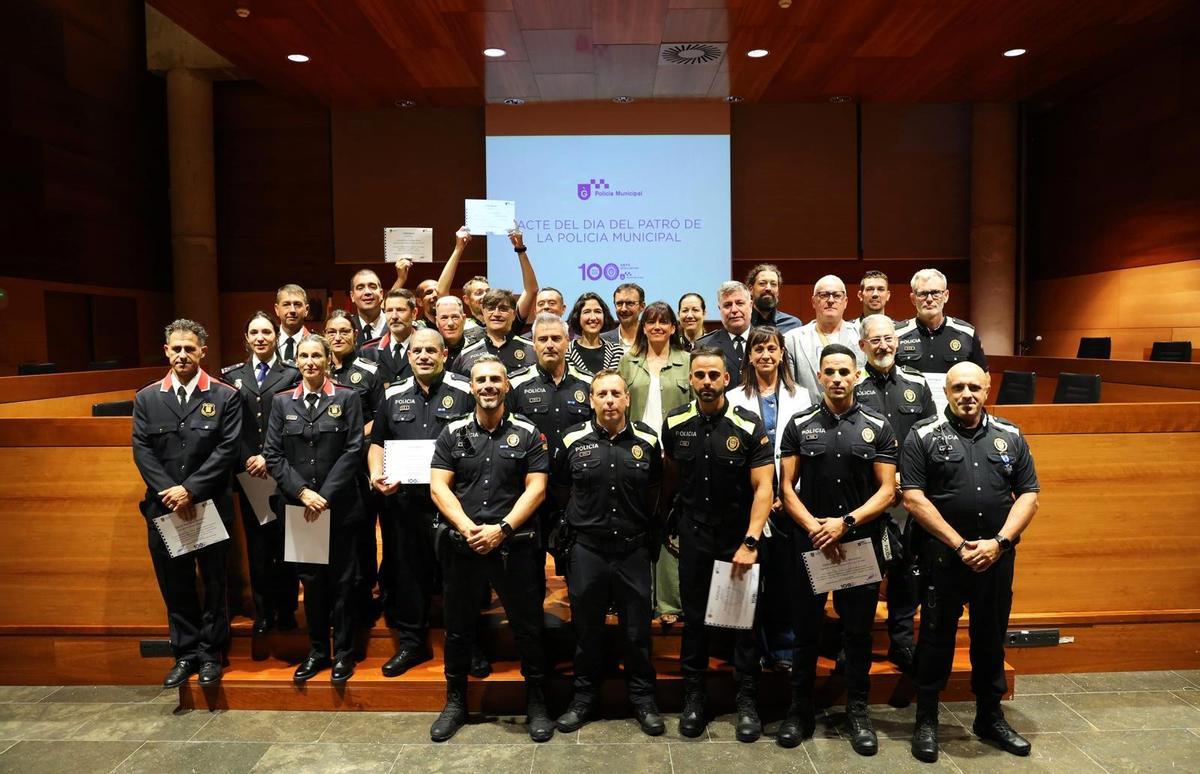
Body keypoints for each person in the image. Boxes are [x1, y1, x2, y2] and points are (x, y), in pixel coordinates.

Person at [901, 362, 1039, 763]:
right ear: (945, 391)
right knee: (935, 639)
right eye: (958, 387)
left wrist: (999, 542)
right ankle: (926, 718)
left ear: (988, 388)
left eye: (974, 387)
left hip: (996, 559)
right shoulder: (923, 434)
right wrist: (961, 545)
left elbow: (1029, 495)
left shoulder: (1010, 435)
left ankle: (989, 716)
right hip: (943, 558)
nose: (967, 394)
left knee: (991, 637)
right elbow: (913, 498)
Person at [777, 343, 899, 755]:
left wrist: (844, 523)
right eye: (829, 372)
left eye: (845, 372)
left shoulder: (878, 426)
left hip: (858, 543)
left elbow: (887, 491)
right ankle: (800, 710)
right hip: (811, 543)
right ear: (821, 376)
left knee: (857, 633)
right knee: (806, 632)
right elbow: (785, 489)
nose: (837, 379)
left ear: (857, 376)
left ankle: (858, 712)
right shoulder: (799, 423)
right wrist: (816, 527)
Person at [428, 355, 554, 743]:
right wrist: (468, 529)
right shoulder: (452, 433)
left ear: (507, 386)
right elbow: (438, 487)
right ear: (470, 387)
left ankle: (537, 702)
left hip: (512, 547)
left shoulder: (530, 433)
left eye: (495, 380)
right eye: (480, 380)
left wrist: (501, 529)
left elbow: (538, 488)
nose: (488, 386)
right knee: (459, 629)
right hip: (462, 546)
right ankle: (455, 702)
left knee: (528, 628)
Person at [660, 346, 775, 741]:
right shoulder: (675, 423)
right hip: (694, 534)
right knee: (694, 621)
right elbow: (671, 479)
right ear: (690, 379)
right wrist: (668, 528)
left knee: (742, 621)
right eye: (699, 376)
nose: (706, 383)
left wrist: (751, 540)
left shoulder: (747, 423)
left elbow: (763, 488)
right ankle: (695, 699)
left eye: (714, 376)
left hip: (735, 536)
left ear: (727, 379)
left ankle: (746, 701)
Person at [552, 370, 665, 736]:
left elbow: (655, 490)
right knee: (587, 632)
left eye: (616, 393)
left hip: (632, 549)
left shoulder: (648, 440)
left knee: (636, 633)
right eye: (602, 394)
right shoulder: (572, 438)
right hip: (588, 551)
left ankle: (643, 700)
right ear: (591, 399)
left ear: (627, 398)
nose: (610, 400)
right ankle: (583, 699)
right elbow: (560, 491)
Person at [132, 319, 242, 688]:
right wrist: (170, 491)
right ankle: (186, 653)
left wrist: (190, 489)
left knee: (213, 585)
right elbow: (142, 450)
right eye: (176, 348)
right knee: (175, 586)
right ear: (166, 351)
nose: (182, 355)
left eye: (189, 349)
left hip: (207, 506)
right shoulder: (147, 398)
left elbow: (227, 449)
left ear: (202, 352)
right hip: (164, 508)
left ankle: (211, 655)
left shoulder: (224, 396)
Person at [368, 328, 475, 677]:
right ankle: (412, 644)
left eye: (431, 350)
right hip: (405, 504)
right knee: (407, 575)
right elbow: (378, 443)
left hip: (452, 504)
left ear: (445, 354)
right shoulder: (393, 393)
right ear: (409, 356)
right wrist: (375, 474)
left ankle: (467, 648)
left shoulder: (465, 391)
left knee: (457, 579)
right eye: (417, 351)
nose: (424, 356)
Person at [264, 334, 365, 683]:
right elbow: (273, 455)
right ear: (297, 361)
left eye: (317, 356)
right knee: (312, 583)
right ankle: (319, 651)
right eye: (304, 356)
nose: (310, 362)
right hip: (300, 508)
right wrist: (304, 493)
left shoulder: (348, 398)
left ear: (327, 360)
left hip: (340, 507)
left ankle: (345, 654)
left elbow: (353, 451)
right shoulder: (281, 403)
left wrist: (325, 494)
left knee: (344, 583)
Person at [854, 314, 936, 673]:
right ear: (863, 346)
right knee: (862, 573)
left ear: (897, 341)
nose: (884, 345)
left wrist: (911, 480)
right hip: (867, 497)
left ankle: (902, 643)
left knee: (905, 571)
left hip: (909, 496)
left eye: (889, 339)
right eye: (875, 340)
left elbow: (932, 434)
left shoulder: (916, 384)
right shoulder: (852, 385)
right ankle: (853, 643)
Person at [725, 326, 808, 671]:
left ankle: (785, 650)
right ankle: (753, 651)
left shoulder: (801, 397)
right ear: (749, 356)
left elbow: (806, 449)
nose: (765, 356)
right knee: (749, 582)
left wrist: (787, 493)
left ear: (781, 353)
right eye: (758, 350)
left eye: (771, 349)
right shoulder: (733, 398)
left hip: (789, 501)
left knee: (785, 581)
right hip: (750, 501)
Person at [220, 312, 300, 635]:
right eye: (254, 332)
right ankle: (264, 611)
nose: (261, 337)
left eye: (267, 331)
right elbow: (229, 428)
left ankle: (288, 608)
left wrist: (268, 456)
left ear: (275, 337)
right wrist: (249, 457)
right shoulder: (231, 376)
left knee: (288, 541)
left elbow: (294, 419)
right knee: (259, 545)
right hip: (249, 473)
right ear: (246, 338)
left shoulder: (292, 373)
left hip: (283, 468)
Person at [617, 302, 692, 625]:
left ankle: (668, 602)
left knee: (670, 526)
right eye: (651, 322)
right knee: (637, 523)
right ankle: (638, 598)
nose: (657, 327)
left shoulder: (687, 361)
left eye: (664, 322)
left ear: (674, 327)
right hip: (636, 454)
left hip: (675, 457)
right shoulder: (627, 362)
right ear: (643, 326)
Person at [784, 275, 864, 404]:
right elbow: (789, 389)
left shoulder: (861, 336)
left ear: (845, 302)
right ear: (813, 302)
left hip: (854, 417)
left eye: (837, 295)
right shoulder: (792, 340)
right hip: (810, 417)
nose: (831, 300)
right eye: (824, 295)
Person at [894, 268, 987, 374]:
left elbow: (983, 377)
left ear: (946, 296)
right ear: (913, 299)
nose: (929, 299)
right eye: (923, 294)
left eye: (935, 293)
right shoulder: (896, 334)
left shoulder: (967, 333)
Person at [391, 227, 472, 329]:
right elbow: (388, 307)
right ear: (419, 301)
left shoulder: (458, 325)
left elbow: (441, 291)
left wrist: (459, 248)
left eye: (436, 291)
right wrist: (400, 279)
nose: (435, 295)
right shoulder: (415, 328)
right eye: (429, 292)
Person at [459, 230, 540, 331]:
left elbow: (531, 289)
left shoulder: (508, 320)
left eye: (488, 291)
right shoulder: (461, 327)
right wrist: (459, 248)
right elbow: (441, 292)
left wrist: (520, 250)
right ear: (466, 299)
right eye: (479, 293)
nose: (485, 295)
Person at [324, 310, 384, 431]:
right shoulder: (317, 371)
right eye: (331, 332)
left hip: (360, 444)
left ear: (355, 334)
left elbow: (380, 417)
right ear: (324, 335)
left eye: (344, 332)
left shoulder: (370, 371)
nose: (337, 338)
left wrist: (356, 437)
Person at [452, 289, 536, 375]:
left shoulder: (533, 350)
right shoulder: (465, 354)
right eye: (491, 308)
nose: (496, 314)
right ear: (483, 312)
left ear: (514, 314)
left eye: (503, 309)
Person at [359, 288, 417, 386]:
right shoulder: (368, 351)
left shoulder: (427, 348)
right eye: (389, 310)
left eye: (400, 310)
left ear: (414, 313)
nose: (394, 316)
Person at [695, 281, 753, 377]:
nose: (734, 310)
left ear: (750, 306)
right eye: (727, 305)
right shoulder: (704, 346)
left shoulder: (767, 340)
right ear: (720, 309)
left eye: (739, 303)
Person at [566, 292, 623, 375]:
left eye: (597, 311)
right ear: (577, 317)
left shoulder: (617, 351)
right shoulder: (567, 352)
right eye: (587, 312)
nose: (593, 317)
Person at [747, 264, 803, 333]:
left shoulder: (794, 326)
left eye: (773, 284)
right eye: (762, 283)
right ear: (750, 289)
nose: (768, 288)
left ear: (778, 291)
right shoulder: (742, 323)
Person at [435, 295, 482, 371]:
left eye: (455, 317)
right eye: (444, 318)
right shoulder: (430, 351)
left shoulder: (478, 346)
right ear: (437, 322)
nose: (450, 323)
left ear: (463, 319)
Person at [601, 283, 645, 353]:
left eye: (630, 303)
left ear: (642, 306)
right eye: (619, 303)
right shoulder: (602, 341)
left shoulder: (652, 338)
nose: (623, 309)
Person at [349, 269, 387, 347]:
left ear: (381, 294)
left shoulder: (394, 324)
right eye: (360, 288)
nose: (367, 292)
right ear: (352, 296)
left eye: (372, 287)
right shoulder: (347, 327)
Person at [275, 284, 310, 365]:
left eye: (297, 304)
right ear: (277, 309)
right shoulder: (268, 342)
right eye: (286, 304)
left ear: (306, 310)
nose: (292, 310)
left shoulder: (316, 344)